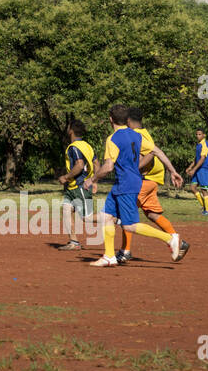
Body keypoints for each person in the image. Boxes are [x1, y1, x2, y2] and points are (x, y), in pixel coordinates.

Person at [85, 105, 184, 267]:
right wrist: (172, 171)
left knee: (129, 226)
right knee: (107, 217)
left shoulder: (113, 139)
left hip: (127, 184)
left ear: (111, 119)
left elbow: (109, 166)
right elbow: (157, 152)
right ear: (126, 119)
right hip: (124, 184)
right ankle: (109, 256)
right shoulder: (136, 135)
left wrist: (92, 179)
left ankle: (170, 238)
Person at [125, 108, 188, 263]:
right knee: (152, 214)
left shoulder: (137, 135)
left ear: (128, 121)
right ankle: (178, 242)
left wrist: (135, 167)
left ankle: (125, 251)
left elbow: (150, 154)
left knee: (125, 212)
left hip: (146, 180)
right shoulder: (145, 132)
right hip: (153, 180)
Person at [57, 121, 95, 250]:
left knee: (87, 218)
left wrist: (65, 177)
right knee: (66, 209)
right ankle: (74, 242)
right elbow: (96, 163)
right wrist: (94, 180)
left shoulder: (74, 147)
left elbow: (79, 165)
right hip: (73, 188)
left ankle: (115, 219)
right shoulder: (87, 146)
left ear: (71, 131)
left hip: (80, 187)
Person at [185, 129, 208, 215]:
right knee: (192, 188)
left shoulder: (204, 144)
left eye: (200, 134)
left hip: (203, 169)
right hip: (197, 169)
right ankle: (204, 207)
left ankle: (207, 210)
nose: (198, 136)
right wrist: (190, 167)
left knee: (204, 189)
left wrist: (193, 169)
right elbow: (196, 158)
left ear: (204, 135)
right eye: (197, 134)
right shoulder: (199, 145)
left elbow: (202, 159)